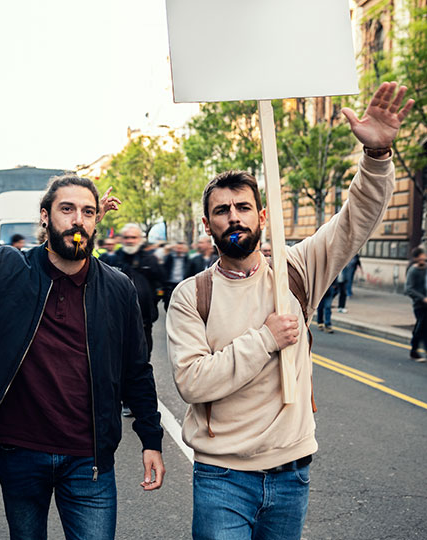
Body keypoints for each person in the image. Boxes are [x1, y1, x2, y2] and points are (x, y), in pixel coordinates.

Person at [166, 82, 413, 540]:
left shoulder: (296, 270)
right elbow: (192, 382)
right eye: (222, 211)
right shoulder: (190, 296)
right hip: (222, 478)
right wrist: (266, 338)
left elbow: (355, 219)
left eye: (244, 207)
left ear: (262, 217)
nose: (234, 216)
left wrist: (377, 158)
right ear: (207, 225)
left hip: (291, 472)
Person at [0, 154, 164, 540]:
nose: (77, 219)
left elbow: (136, 369)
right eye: (67, 209)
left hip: (89, 461)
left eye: (87, 211)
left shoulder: (117, 287)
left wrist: (151, 439)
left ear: (96, 221)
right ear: (45, 217)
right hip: (19, 454)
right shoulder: (8, 267)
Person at [106, 223, 164, 356]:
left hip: (143, 322)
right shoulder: (112, 260)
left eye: (133, 237)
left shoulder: (150, 260)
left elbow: (160, 283)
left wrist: (152, 301)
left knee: (142, 358)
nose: (130, 241)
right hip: (116, 323)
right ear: (121, 239)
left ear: (139, 239)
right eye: (126, 237)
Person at [405, 247, 427, 362]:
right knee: (420, 327)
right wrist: (422, 298)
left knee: (424, 327)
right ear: (416, 258)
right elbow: (409, 289)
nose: (423, 260)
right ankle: (414, 351)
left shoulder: (425, 269)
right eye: (421, 259)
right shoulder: (413, 271)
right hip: (419, 304)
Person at [162, 242, 191, 310]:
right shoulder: (169, 257)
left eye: (181, 248)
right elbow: (164, 269)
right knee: (168, 302)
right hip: (170, 283)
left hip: (182, 284)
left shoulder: (187, 259)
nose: (179, 250)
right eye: (177, 248)